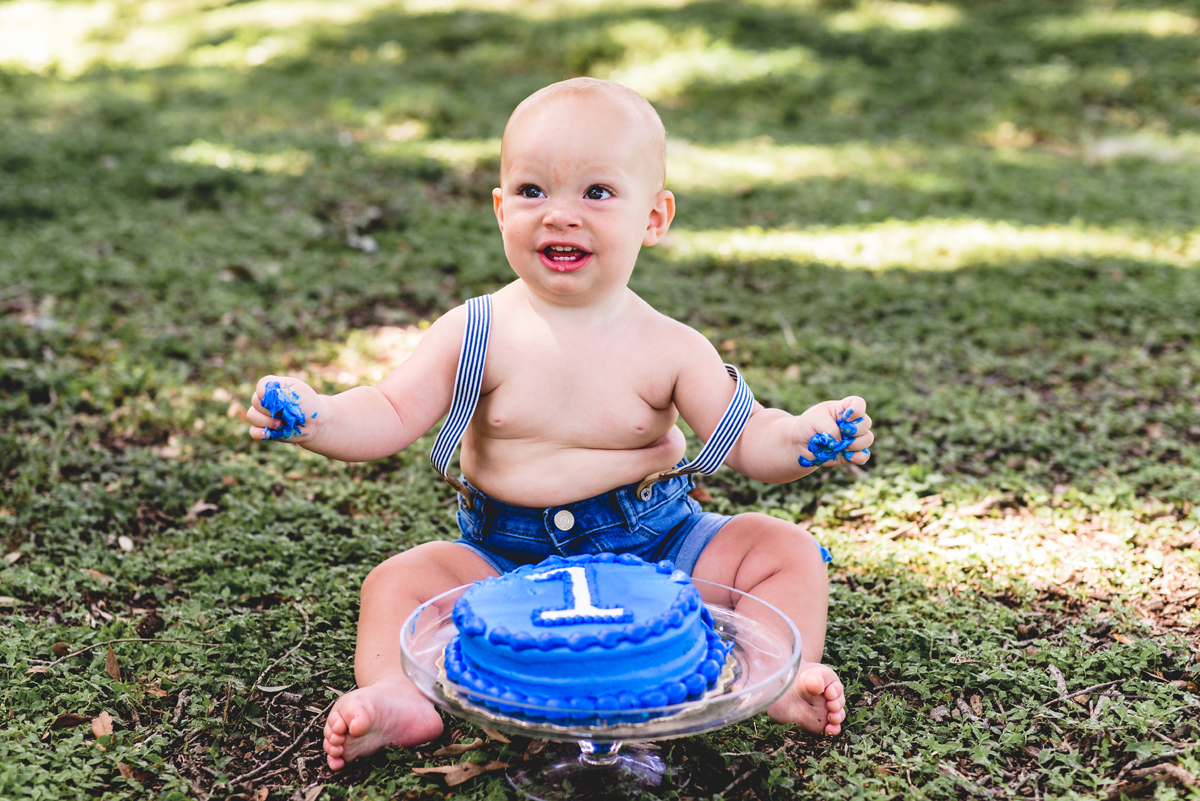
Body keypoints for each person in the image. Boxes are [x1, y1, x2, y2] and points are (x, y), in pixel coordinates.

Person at [245, 78, 873, 771]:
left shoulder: (671, 346)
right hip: (504, 559)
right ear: (499, 207)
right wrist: (320, 416)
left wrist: (807, 437)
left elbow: (752, 435)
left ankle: (769, 677)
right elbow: (389, 412)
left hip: (659, 546)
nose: (559, 216)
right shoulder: (476, 331)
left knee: (782, 550)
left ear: (655, 218)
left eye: (596, 193)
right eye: (532, 192)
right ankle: (399, 696)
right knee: (397, 583)